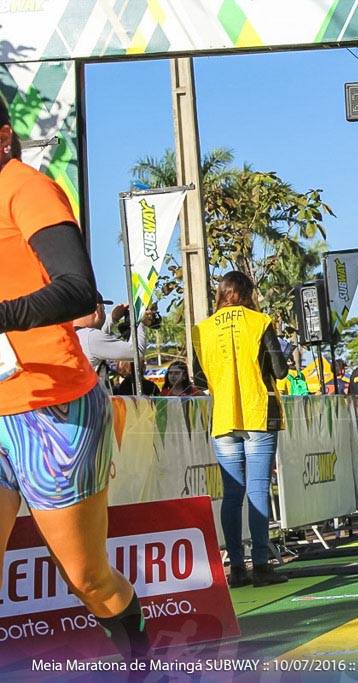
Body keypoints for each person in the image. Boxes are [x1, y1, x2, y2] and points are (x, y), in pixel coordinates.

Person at [0, 98, 149, 661]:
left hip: (52, 411)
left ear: (3, 136)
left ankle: (142, 667)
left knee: (87, 578)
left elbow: (77, 290)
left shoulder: (26, 189)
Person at [193, 271, 289, 588]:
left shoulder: (201, 330)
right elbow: (279, 368)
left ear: (220, 294)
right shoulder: (259, 322)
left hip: (223, 418)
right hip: (258, 412)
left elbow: (198, 379)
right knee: (258, 488)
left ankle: (236, 568)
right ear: (248, 293)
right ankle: (261, 565)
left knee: (232, 496)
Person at [73, 295, 156, 388]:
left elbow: (96, 341)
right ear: (98, 309)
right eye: (103, 310)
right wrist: (138, 321)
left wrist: (113, 319)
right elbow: (136, 352)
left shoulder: (72, 335)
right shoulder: (90, 337)